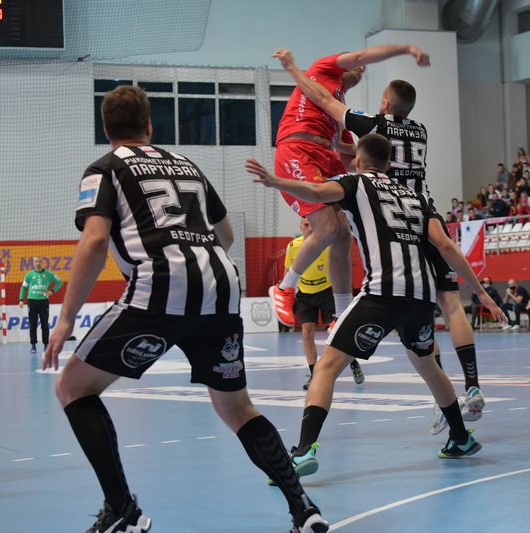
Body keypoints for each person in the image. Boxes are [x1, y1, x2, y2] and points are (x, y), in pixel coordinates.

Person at [42, 86, 328, 533]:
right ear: (149, 125)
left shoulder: (105, 169)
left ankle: (122, 511)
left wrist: (64, 320)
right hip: (221, 285)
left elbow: (95, 241)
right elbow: (226, 235)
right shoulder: (185, 164)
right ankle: (304, 510)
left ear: (106, 129)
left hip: (160, 284)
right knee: (238, 408)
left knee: (73, 388)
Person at [246, 134, 506, 472]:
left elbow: (317, 193)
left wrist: (276, 181)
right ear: (389, 163)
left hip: (382, 293)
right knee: (428, 365)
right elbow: (445, 246)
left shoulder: (355, 183)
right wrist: (480, 291)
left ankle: (304, 450)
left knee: (326, 368)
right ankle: (460, 437)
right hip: (421, 297)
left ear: (357, 160)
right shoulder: (418, 197)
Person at [271, 48, 489, 432]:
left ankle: (296, 293)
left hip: (389, 217)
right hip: (423, 209)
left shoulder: (372, 128)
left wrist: (291, 68)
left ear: (385, 103)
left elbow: (324, 101)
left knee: (404, 317)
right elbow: (369, 150)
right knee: (448, 305)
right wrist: (481, 291)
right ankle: (471, 387)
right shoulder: (419, 131)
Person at [271, 44, 431, 329]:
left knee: (344, 235)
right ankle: (284, 288)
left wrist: (390, 165)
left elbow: (353, 160)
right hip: (298, 148)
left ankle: (341, 314)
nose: (360, 68)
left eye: (363, 69)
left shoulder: (339, 116)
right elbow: (360, 56)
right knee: (327, 228)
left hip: (325, 157)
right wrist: (407, 48)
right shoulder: (321, 70)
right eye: (356, 65)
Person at [286, 218, 364, 391]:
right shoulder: (293, 246)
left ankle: (353, 362)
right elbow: (288, 270)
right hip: (305, 294)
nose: (310, 228)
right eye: (306, 225)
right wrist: (286, 292)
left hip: (328, 291)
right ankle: (314, 374)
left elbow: (342, 267)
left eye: (313, 225)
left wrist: (346, 292)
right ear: (300, 227)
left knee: (338, 330)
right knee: (307, 333)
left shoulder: (327, 245)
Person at [18, 256, 63, 354]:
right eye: (36, 262)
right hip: (32, 302)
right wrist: (21, 300)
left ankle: (46, 345)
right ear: (33, 263)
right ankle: (33, 345)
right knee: (33, 324)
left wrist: (52, 291)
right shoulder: (29, 275)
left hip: (44, 302)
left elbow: (60, 282)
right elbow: (23, 287)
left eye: (39, 262)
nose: (38, 263)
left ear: (42, 263)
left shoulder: (49, 274)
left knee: (45, 324)